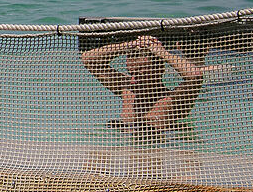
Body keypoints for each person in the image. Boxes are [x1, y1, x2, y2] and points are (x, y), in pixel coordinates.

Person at [79, 32, 211, 133]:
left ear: (159, 69)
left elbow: (195, 76)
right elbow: (88, 59)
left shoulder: (174, 100)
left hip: (162, 152)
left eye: (140, 73)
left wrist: (162, 53)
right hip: (129, 152)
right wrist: (129, 45)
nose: (133, 79)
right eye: (132, 73)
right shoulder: (128, 91)